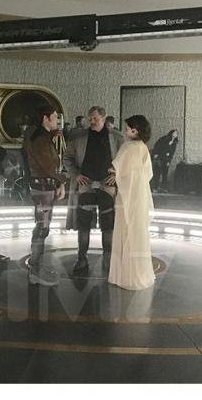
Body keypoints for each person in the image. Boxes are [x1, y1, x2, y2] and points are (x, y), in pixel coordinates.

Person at [64, 106, 123, 273]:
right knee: (83, 224)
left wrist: (117, 174)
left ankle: (108, 260)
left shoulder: (117, 138)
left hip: (107, 185)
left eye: (95, 118)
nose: (92, 121)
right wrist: (75, 174)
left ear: (104, 118)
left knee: (108, 224)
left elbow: (125, 160)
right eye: (90, 118)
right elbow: (67, 158)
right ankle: (81, 259)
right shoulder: (79, 137)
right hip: (86, 184)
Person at [108, 115, 155, 290]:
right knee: (138, 231)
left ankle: (124, 274)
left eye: (128, 129)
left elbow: (116, 169)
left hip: (126, 196)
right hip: (140, 196)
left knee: (124, 229)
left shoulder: (127, 147)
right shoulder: (143, 148)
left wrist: (114, 173)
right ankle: (139, 272)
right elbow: (148, 174)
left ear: (135, 131)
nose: (125, 131)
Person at [25, 106, 66, 286]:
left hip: (44, 187)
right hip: (42, 188)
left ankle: (36, 267)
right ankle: (35, 270)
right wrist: (63, 181)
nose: (57, 120)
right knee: (42, 227)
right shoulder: (40, 139)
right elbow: (48, 166)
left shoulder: (42, 137)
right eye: (55, 117)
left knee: (43, 226)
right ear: (45, 118)